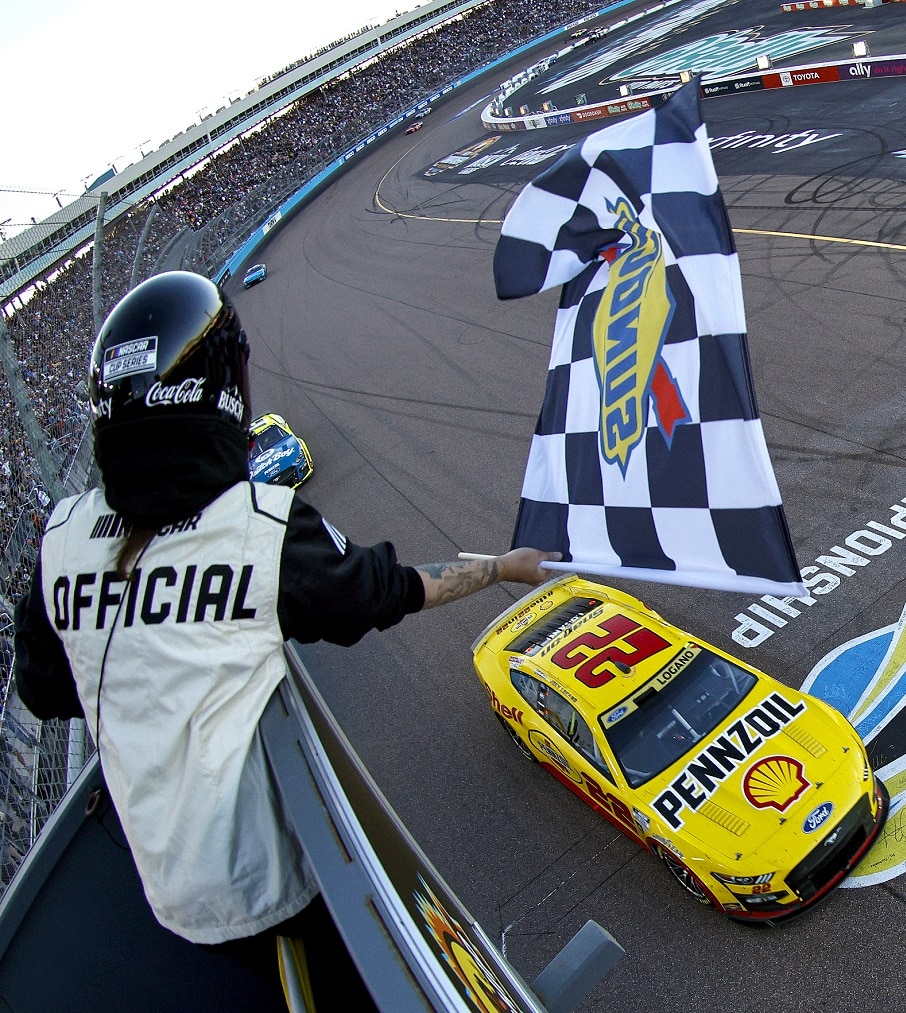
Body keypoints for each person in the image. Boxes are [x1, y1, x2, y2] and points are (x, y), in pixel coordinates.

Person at [11, 270, 556, 1006]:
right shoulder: (260, 527)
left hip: (161, 889)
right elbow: (387, 588)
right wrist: (497, 569)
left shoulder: (60, 538)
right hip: (270, 881)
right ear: (222, 388)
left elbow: (43, 690)